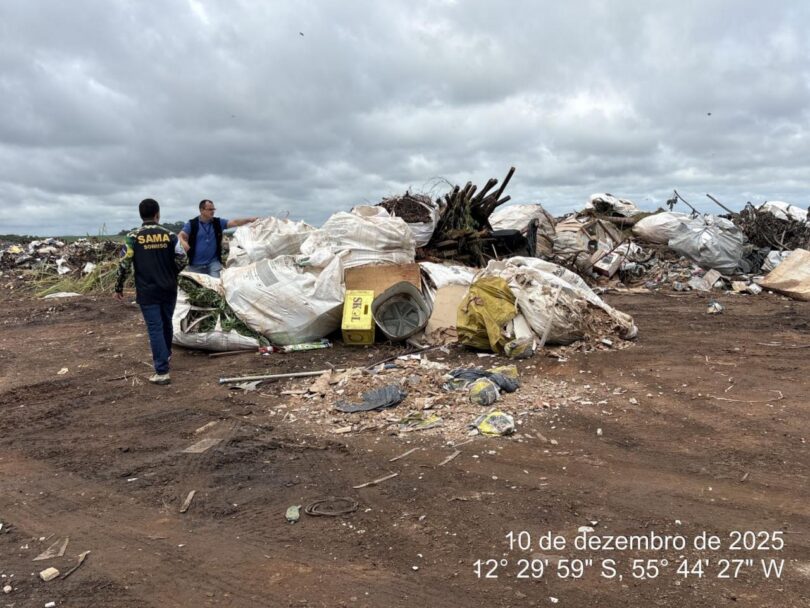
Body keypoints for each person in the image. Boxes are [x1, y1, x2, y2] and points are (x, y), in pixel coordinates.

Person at [114, 198, 187, 385]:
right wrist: (171, 273)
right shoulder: (170, 235)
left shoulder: (133, 236)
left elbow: (124, 263)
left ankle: (162, 371)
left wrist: (119, 287)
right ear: (157, 214)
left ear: (141, 215)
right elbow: (182, 258)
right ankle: (166, 355)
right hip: (169, 287)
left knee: (155, 328)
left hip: (147, 289)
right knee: (166, 323)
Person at [178, 200, 257, 277]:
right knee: (197, 288)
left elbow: (234, 222)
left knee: (216, 285)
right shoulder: (192, 224)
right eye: (210, 209)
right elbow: (181, 235)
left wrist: (249, 220)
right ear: (201, 210)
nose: (213, 211)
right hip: (195, 265)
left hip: (213, 263)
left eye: (213, 209)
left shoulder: (218, 222)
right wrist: (184, 243)